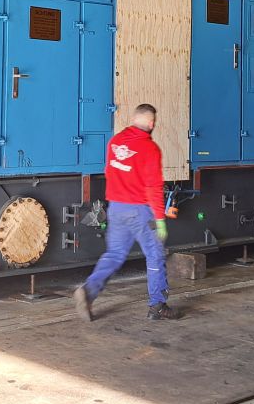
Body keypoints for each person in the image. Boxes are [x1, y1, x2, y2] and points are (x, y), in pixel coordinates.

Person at [75, 104, 181, 321]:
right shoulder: (150, 149)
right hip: (139, 210)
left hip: (116, 207)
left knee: (114, 255)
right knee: (155, 255)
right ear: (152, 123)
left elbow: (109, 172)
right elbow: (153, 187)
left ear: (134, 119)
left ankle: (87, 291)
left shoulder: (115, 142)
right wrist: (160, 219)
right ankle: (157, 306)